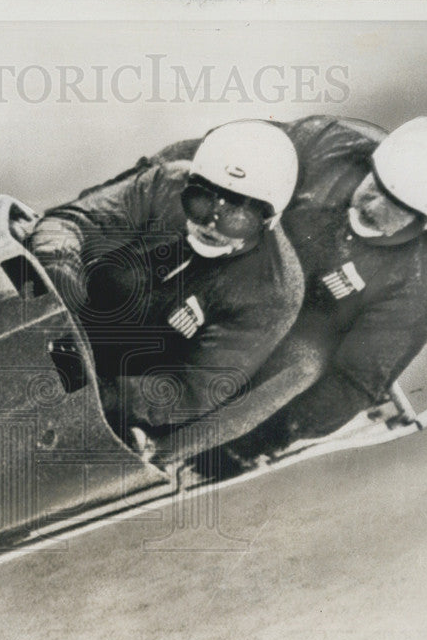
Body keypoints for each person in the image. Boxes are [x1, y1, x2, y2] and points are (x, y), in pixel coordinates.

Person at [151, 115, 427, 467]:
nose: (372, 204)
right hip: (241, 264)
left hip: (304, 331)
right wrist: (149, 175)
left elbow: (354, 383)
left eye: (396, 206)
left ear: (424, 222)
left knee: (304, 365)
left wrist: (265, 436)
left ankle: (169, 452)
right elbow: (226, 150)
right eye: (376, 184)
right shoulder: (327, 142)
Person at [27, 120, 303, 438]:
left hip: (120, 384)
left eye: (236, 219)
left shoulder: (274, 291)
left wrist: (96, 390)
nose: (212, 225)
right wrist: (62, 290)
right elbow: (72, 221)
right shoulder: (166, 181)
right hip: (63, 322)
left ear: (268, 221)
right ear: (188, 187)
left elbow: (192, 392)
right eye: (200, 203)